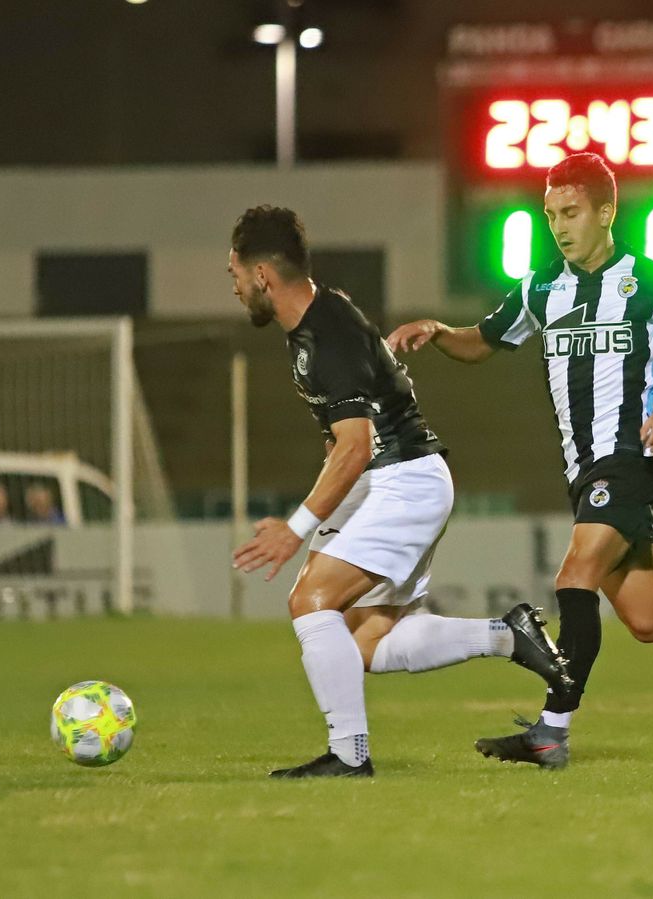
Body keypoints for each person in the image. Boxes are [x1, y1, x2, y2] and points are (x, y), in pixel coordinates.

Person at [387, 153, 653, 769]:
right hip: (583, 469)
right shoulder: (543, 287)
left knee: (573, 578)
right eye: (550, 215)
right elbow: (482, 343)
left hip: (631, 459)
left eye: (570, 213)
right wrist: (437, 330)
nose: (559, 227)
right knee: (650, 620)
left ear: (605, 211)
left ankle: (551, 730)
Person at [226, 205, 574, 779]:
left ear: (261, 274)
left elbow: (357, 445)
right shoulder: (319, 320)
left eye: (235, 274)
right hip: (392, 480)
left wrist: (295, 529)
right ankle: (506, 635)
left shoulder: (325, 334)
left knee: (310, 603)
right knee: (365, 641)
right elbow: (349, 443)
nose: (235, 287)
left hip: (401, 480)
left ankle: (348, 755)